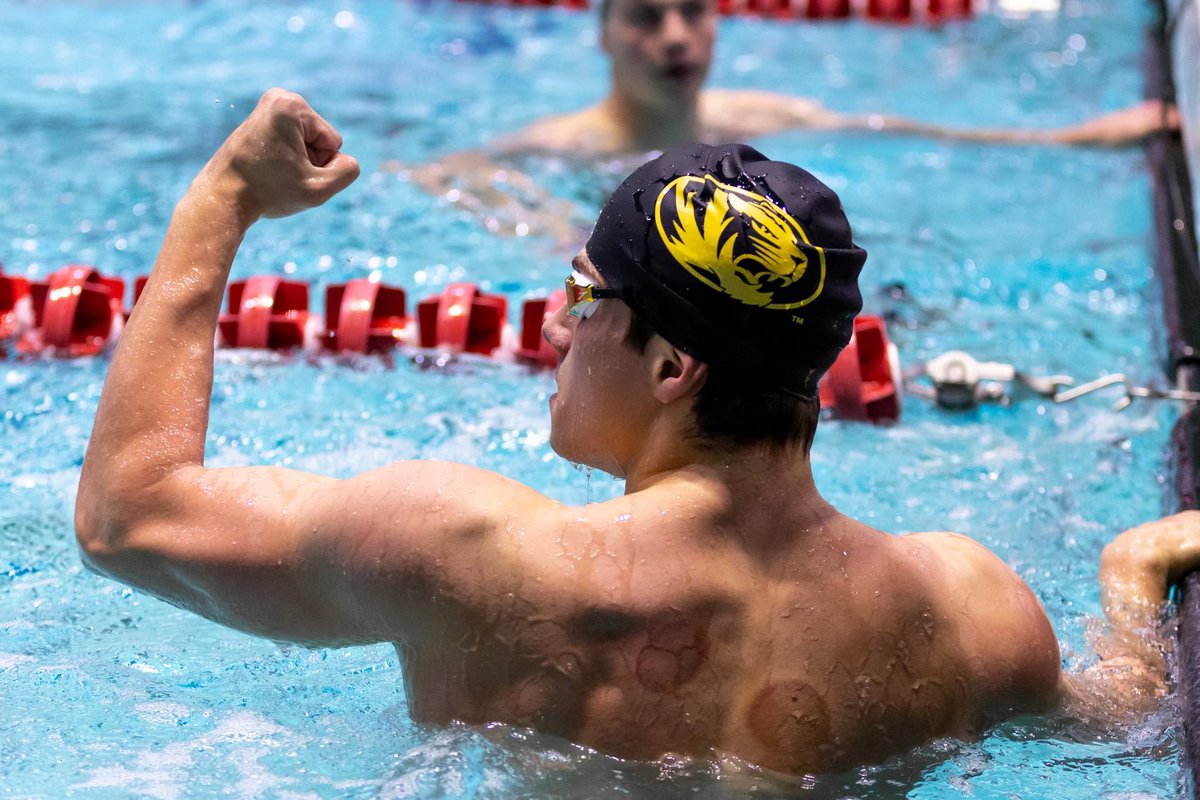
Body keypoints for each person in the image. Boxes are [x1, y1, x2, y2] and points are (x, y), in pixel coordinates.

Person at [76, 90, 1194, 775]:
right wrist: (1132, 574)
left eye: (582, 294)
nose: (555, 327)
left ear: (671, 365)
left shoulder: (471, 559)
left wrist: (223, 196)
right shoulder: (969, 611)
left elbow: (128, 516)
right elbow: (1125, 719)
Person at [399, 0, 1181, 239]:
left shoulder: (755, 116)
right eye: (646, 18)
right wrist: (538, 223)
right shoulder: (569, 143)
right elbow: (440, 172)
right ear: (603, 35)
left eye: (693, 13)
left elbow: (896, 128)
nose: (676, 37)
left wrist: (1069, 139)